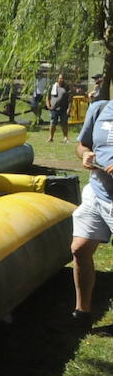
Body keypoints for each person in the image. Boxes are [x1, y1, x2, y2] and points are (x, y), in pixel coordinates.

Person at [70, 98, 113, 333]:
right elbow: (82, 145)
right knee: (80, 248)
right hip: (96, 193)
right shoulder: (100, 108)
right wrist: (85, 155)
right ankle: (82, 313)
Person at [49, 72, 72, 143]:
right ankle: (51, 137)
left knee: (64, 123)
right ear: (57, 79)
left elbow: (70, 98)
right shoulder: (53, 86)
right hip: (54, 109)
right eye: (60, 78)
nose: (61, 80)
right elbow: (48, 97)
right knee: (53, 123)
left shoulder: (67, 87)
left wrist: (69, 108)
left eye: (62, 78)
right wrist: (48, 105)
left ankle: (65, 137)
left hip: (64, 109)